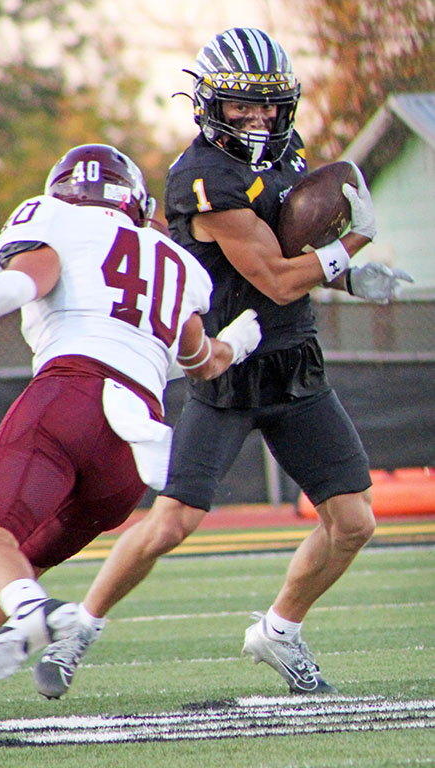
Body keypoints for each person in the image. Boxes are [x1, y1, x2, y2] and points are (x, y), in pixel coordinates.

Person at [30, 29, 414, 701]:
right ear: (211, 105)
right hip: (227, 365)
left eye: (268, 107)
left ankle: (279, 629)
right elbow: (270, 276)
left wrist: (348, 278)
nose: (259, 119)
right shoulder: (202, 176)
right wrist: (349, 244)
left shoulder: (288, 157)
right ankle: (81, 628)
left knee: (353, 522)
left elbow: (289, 250)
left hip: (294, 362)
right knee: (173, 521)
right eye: (242, 107)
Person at [0, 142, 262, 684]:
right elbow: (199, 361)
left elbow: (22, 283)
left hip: (71, 397)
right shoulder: (175, 260)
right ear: (134, 200)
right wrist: (239, 343)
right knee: (18, 566)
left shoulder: (55, 219)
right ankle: (28, 611)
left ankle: (35, 615)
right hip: (132, 448)